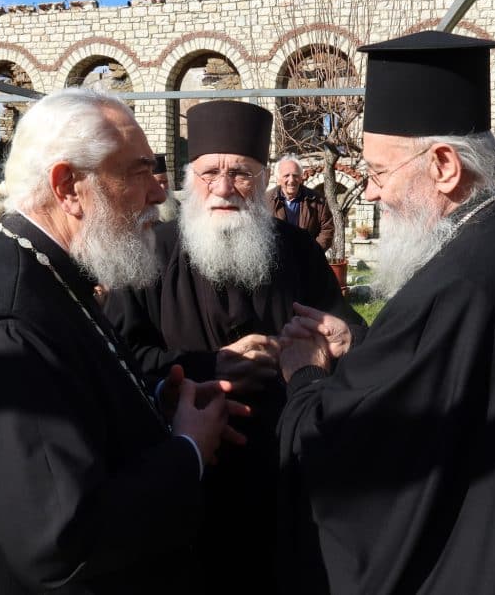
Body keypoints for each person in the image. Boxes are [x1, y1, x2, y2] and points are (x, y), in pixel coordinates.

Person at [276, 31, 495, 594]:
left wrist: (306, 373)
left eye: (378, 173)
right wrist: (362, 348)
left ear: (443, 166)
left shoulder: (460, 280)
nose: (373, 194)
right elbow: (458, 381)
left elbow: (351, 448)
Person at [0, 88, 240, 594]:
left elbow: (75, 405)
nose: (159, 193)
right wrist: (188, 449)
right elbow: (61, 538)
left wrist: (156, 402)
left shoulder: (49, 273)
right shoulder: (6, 327)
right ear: (67, 186)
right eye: (138, 171)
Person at [106, 99, 365, 595]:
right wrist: (207, 367)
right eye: (209, 173)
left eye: (241, 174)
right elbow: (116, 356)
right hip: (186, 475)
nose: (223, 188)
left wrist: (328, 346)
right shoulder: (151, 252)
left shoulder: (298, 252)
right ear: (189, 179)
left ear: (264, 179)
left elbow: (345, 331)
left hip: (282, 475)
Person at [267, 155, 334, 252]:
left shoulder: (318, 200)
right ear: (278, 178)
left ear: (301, 177)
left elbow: (327, 229)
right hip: (277, 261)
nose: (291, 180)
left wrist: (314, 252)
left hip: (307, 261)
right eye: (286, 176)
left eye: (295, 175)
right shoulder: (265, 201)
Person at [153, 153, 179, 223]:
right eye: (159, 183)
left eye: (165, 182)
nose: (163, 187)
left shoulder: (177, 205)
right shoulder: (146, 211)